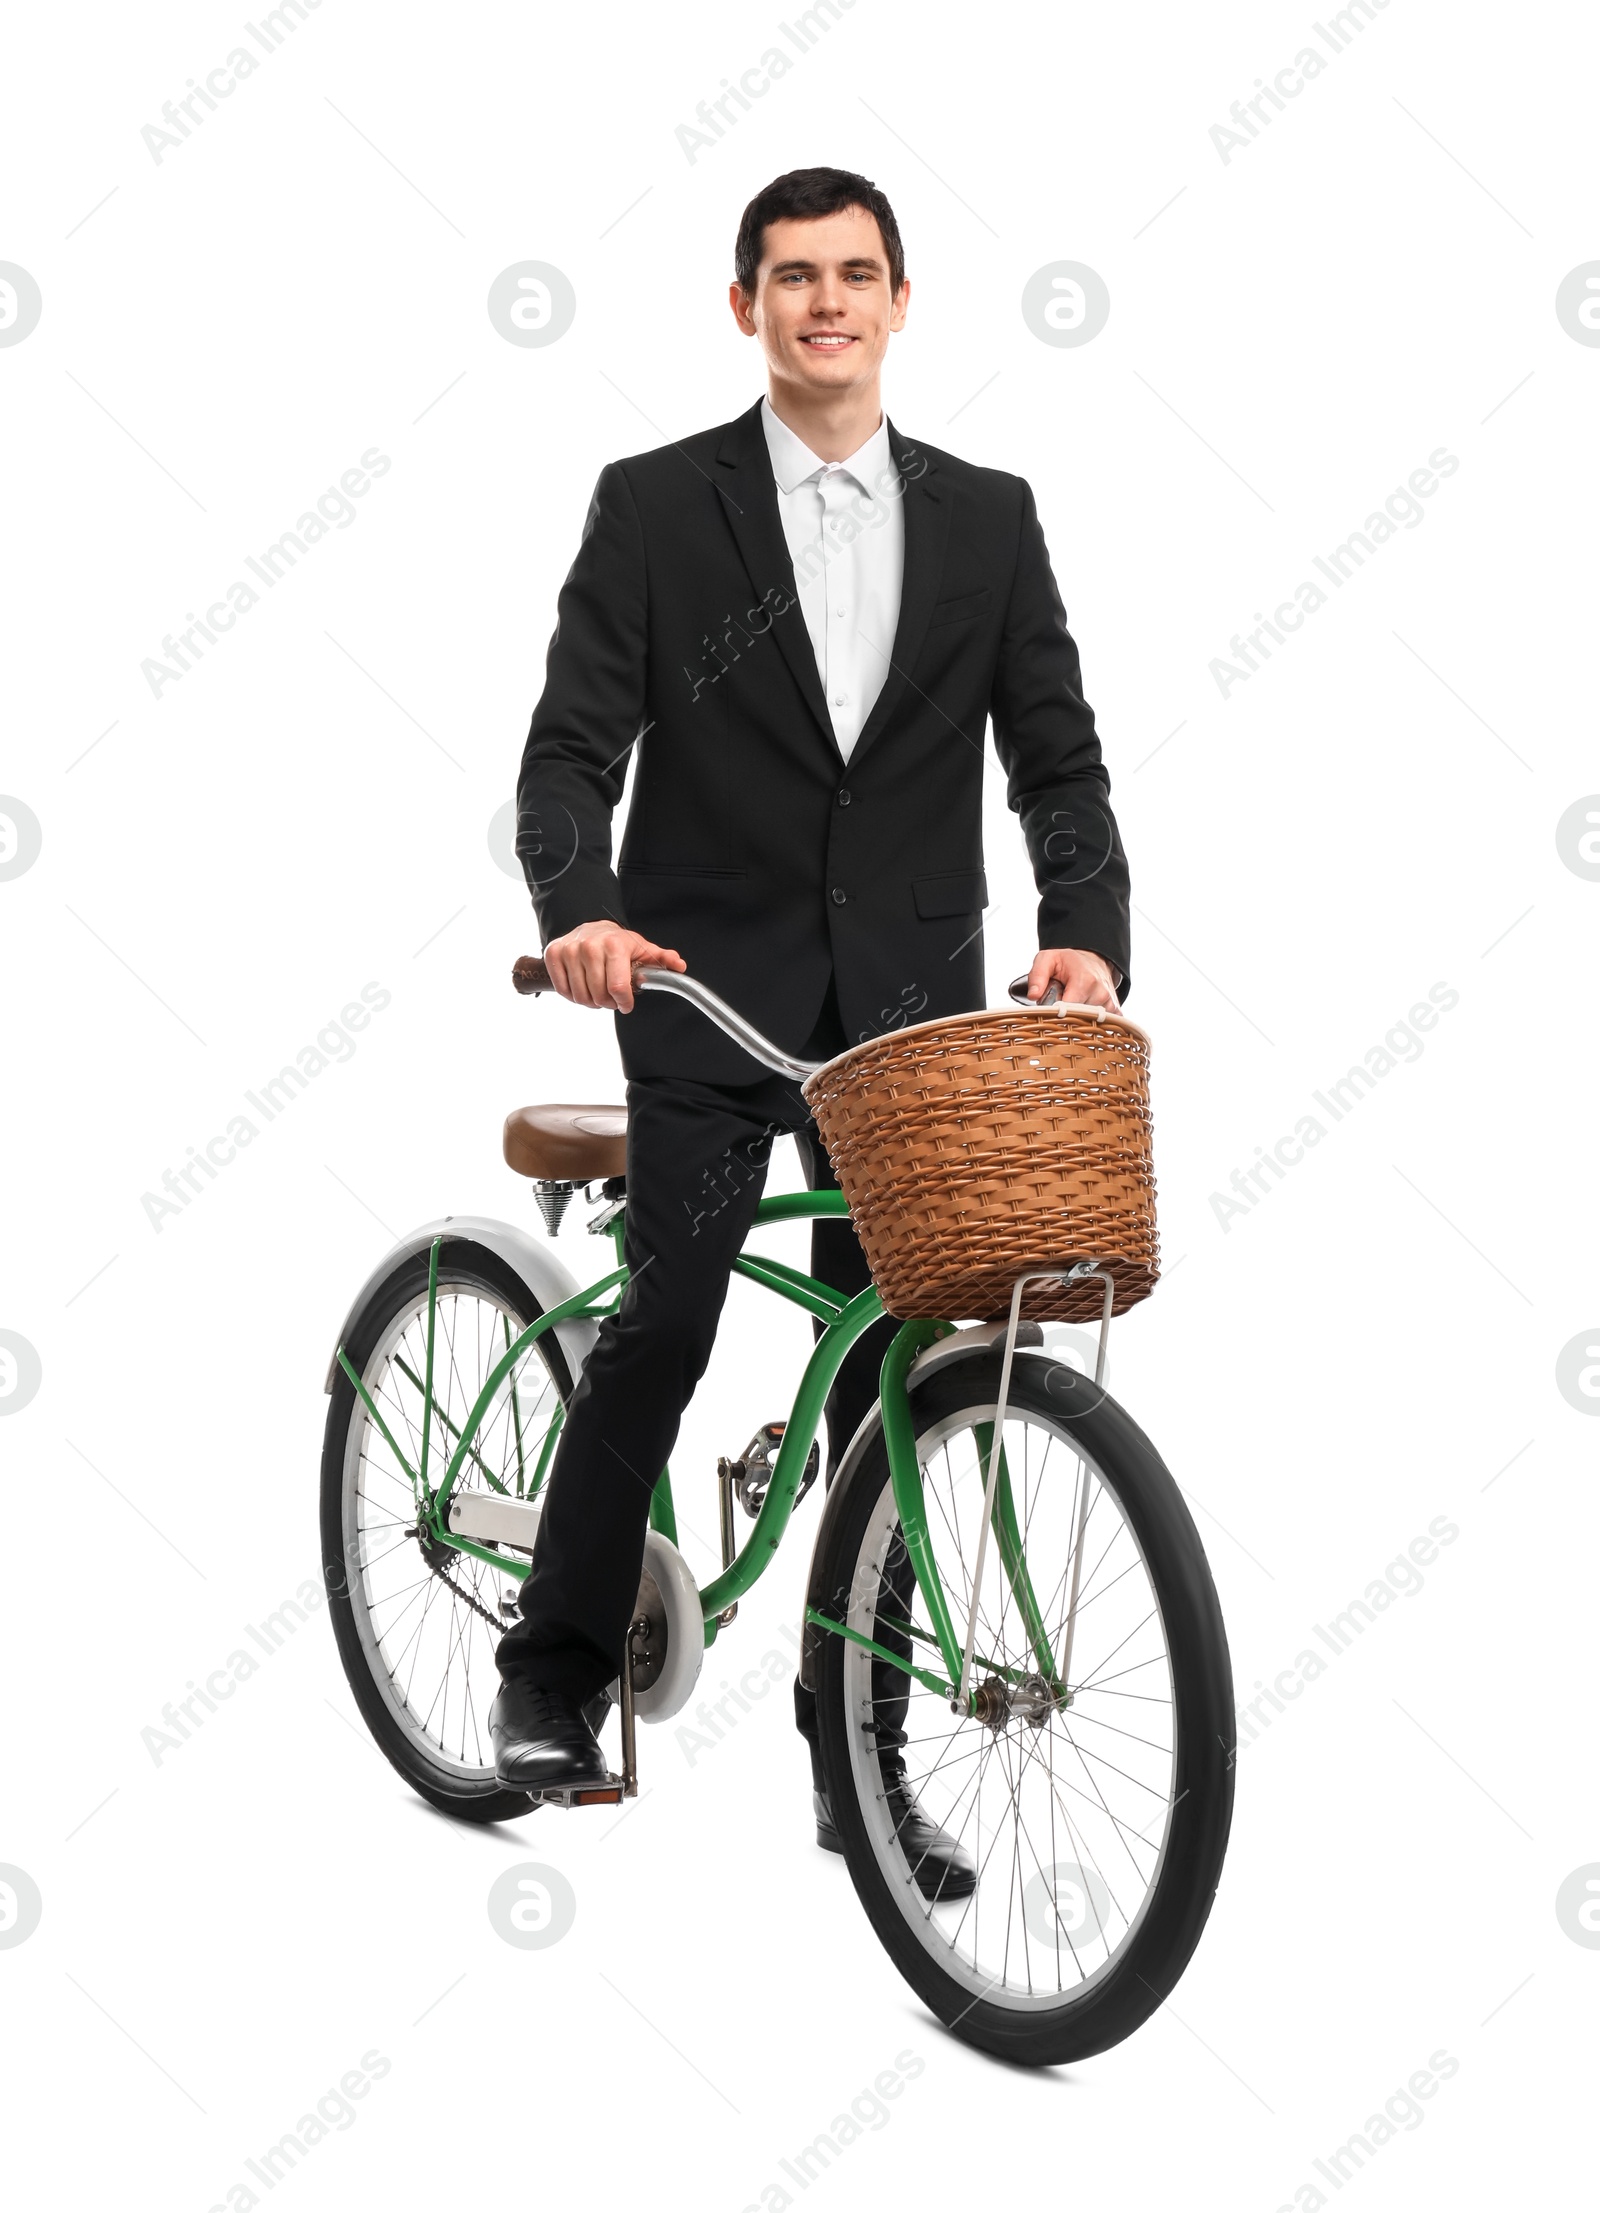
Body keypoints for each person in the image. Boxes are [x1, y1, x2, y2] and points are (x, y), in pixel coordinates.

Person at [490, 166, 1131, 1893]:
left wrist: (1084, 934)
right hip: (704, 992)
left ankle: (857, 1744)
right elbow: (569, 756)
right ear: (745, 307)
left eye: (856, 276)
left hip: (910, 1022)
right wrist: (582, 914)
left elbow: (1054, 761)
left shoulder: (989, 518)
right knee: (676, 1315)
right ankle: (546, 1675)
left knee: (907, 1368)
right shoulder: (654, 507)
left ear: (902, 302)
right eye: (793, 277)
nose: (825, 303)